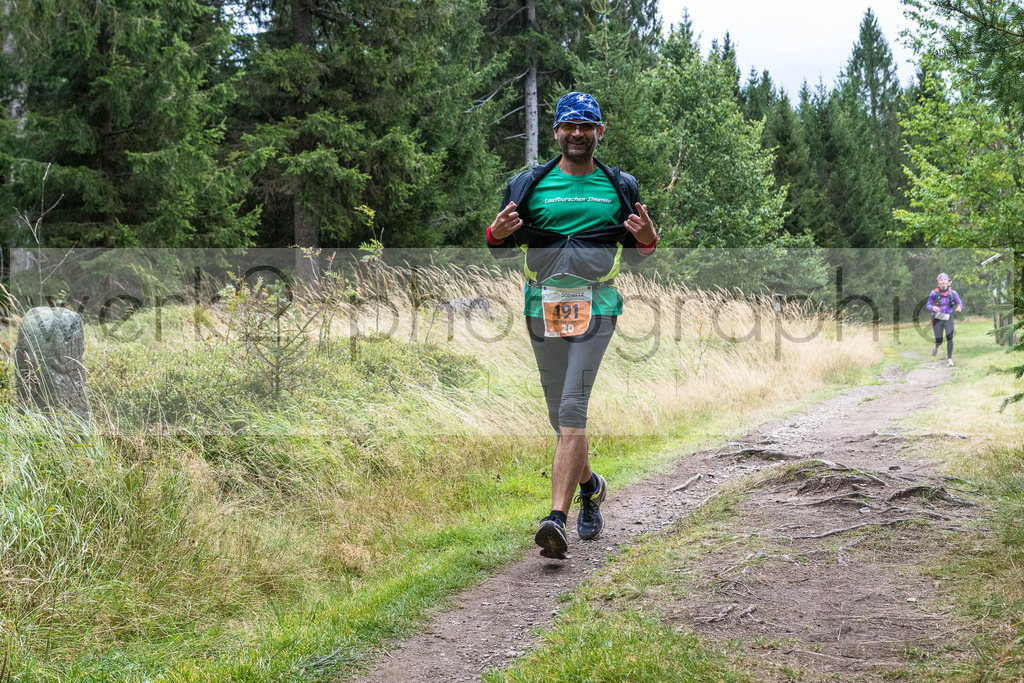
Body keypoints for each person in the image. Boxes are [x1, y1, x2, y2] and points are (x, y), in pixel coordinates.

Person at [486, 92, 658, 559]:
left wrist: (648, 240)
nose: (577, 133)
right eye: (569, 126)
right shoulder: (528, 183)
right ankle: (590, 486)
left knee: (572, 407)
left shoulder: (619, 185)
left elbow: (641, 252)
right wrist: (495, 234)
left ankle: (555, 520)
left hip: (597, 305)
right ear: (556, 132)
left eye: (586, 126)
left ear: (600, 131)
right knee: (558, 418)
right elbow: (498, 245)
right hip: (541, 305)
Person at [928, 273, 963, 367]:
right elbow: (928, 304)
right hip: (937, 318)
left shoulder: (953, 293)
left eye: (945, 280)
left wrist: (959, 307)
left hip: (948, 317)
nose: (943, 282)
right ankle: (936, 346)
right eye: (941, 280)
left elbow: (959, 303)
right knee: (939, 339)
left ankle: (949, 359)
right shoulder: (933, 293)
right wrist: (933, 307)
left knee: (949, 337)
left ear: (948, 281)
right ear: (938, 282)